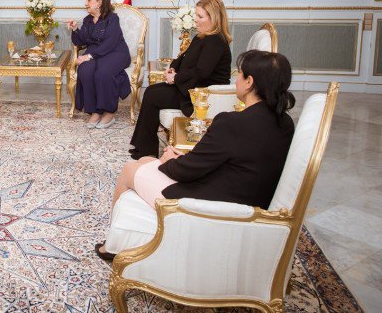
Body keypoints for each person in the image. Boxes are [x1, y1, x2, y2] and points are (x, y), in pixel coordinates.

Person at [94, 50, 296, 261]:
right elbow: (234, 160)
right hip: (245, 201)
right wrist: (178, 159)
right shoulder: (285, 123)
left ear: (249, 82)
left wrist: (169, 160)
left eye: (240, 74)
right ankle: (123, 235)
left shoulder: (233, 123)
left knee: (130, 169)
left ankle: (112, 246)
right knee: (146, 160)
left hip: (210, 207)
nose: (236, 79)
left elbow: (186, 171)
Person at [129, 0, 232, 159]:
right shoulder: (201, 37)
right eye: (196, 15)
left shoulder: (216, 42)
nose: (195, 20)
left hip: (201, 93)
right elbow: (183, 57)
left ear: (214, 18)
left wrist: (176, 78)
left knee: (153, 94)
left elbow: (202, 72)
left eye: (200, 16)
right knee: (151, 91)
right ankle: (144, 147)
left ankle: (146, 149)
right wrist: (173, 68)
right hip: (190, 85)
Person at [66, 0, 132, 129]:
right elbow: (81, 42)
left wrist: (88, 56)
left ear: (99, 3)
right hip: (97, 54)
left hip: (116, 53)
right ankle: (95, 111)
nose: (86, 3)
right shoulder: (88, 20)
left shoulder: (112, 18)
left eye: (89, 0)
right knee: (85, 70)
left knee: (103, 72)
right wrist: (75, 29)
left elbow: (110, 42)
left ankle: (109, 112)